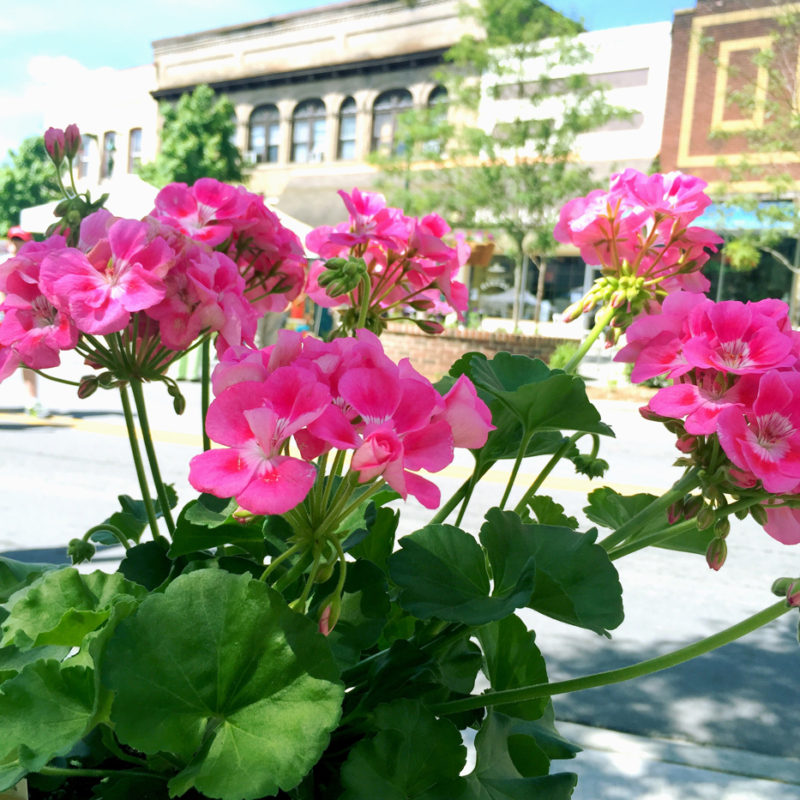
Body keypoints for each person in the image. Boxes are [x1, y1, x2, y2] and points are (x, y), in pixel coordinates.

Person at [4, 226, 49, 417]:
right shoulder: (2, 261)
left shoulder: (30, 264)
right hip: (8, 316)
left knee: (28, 358)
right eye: (14, 239)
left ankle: (32, 400)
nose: (17, 243)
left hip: (26, 317)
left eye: (20, 240)